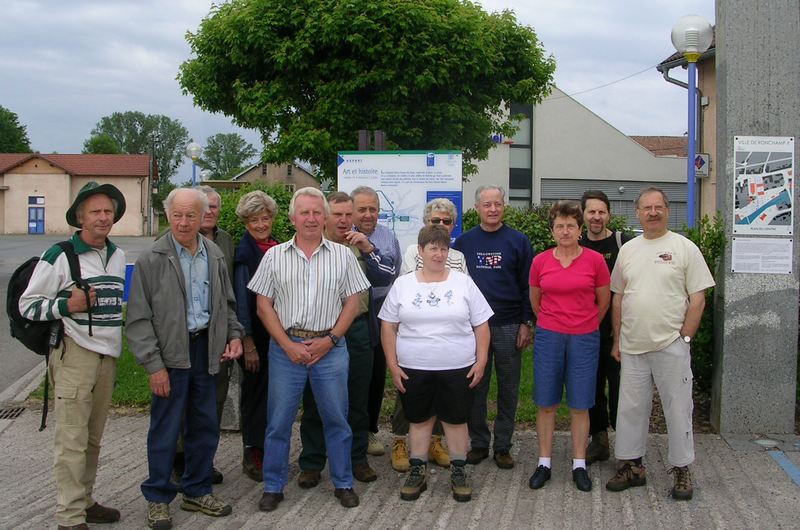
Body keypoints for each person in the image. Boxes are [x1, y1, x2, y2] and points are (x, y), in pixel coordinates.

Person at [127, 187, 244, 530]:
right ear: (167, 216)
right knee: (165, 428)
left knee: (205, 424)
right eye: (177, 214)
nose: (183, 221)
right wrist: (153, 365)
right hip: (170, 356)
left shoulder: (213, 254)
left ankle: (196, 488)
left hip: (206, 350)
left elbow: (227, 304)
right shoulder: (153, 259)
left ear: (202, 216)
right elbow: (137, 318)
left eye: (191, 215)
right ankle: (158, 497)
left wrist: (234, 336)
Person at [248, 187, 371, 512]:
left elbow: (354, 302)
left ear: (325, 217)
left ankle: (343, 483)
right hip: (285, 350)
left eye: (317, 212)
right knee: (278, 422)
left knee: (337, 420)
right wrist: (287, 345)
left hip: (330, 349)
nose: (312, 218)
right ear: (292, 218)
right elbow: (263, 306)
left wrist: (330, 339)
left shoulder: (343, 256)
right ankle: (273, 486)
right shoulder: (274, 256)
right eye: (305, 212)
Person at [19, 181, 126, 530]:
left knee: (93, 438)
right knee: (71, 439)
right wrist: (68, 304)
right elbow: (28, 305)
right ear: (80, 217)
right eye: (95, 211)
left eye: (108, 211)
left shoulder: (118, 254)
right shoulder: (60, 254)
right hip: (74, 355)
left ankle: (85, 500)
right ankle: (69, 516)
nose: (103, 217)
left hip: (107, 358)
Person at [605, 187, 714, 501]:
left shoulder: (685, 248)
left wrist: (685, 339)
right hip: (633, 345)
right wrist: (617, 339)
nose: (652, 213)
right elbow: (618, 297)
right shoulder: (628, 250)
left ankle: (681, 468)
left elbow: (698, 299)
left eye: (658, 207)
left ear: (667, 210)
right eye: (646, 208)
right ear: (637, 212)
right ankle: (632, 466)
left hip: (670, 345)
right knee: (630, 409)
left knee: (678, 409)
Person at [380, 224, 492, 502]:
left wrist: (481, 360)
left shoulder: (463, 282)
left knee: (455, 421)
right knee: (419, 420)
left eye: (443, 248)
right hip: (413, 368)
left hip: (458, 367)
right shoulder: (403, 284)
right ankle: (418, 471)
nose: (439, 254)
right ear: (420, 251)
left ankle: (459, 470)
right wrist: (393, 365)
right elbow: (388, 326)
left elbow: (481, 324)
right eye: (433, 248)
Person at [297, 191, 394, 487]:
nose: (343, 220)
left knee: (357, 398)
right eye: (336, 214)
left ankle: (357, 459)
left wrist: (367, 248)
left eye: (347, 215)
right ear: (325, 217)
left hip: (357, 330)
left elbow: (384, 277)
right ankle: (312, 461)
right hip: (321, 331)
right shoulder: (313, 246)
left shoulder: (360, 246)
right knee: (314, 400)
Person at [527, 201, 611, 492]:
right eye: (559, 226)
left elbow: (603, 302)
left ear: (580, 230)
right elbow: (536, 301)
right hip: (550, 336)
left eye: (571, 226)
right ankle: (545, 462)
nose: (565, 231)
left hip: (585, 337)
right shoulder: (540, 262)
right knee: (546, 403)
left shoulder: (595, 261)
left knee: (580, 403)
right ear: (552, 231)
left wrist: (583, 323)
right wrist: (555, 323)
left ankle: (578, 464)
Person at [453, 185, 534, 469]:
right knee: (476, 385)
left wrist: (527, 322)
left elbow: (528, 286)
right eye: (487, 204)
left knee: (509, 387)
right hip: (474, 327)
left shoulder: (519, 241)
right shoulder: (463, 243)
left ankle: (503, 445)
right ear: (477, 208)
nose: (492, 209)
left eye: (497, 204)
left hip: (510, 323)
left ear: (504, 206)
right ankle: (478, 443)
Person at [391, 197, 467, 471]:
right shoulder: (414, 250)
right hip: (414, 337)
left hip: (449, 342)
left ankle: (435, 442)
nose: (441, 225)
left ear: (453, 225)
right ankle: (400, 441)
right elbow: (410, 289)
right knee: (409, 397)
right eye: (435, 221)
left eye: (446, 221)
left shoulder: (458, 256)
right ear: (426, 223)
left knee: (446, 399)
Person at [172, 184, 234, 485]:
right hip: (181, 339)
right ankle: (179, 460)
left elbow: (228, 291)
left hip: (215, 338)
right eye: (204, 207)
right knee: (179, 406)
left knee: (212, 404)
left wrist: (233, 333)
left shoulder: (225, 242)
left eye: (213, 207)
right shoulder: (167, 244)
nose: (209, 212)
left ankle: (203, 462)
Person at [579, 190, 634, 464]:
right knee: (593, 389)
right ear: (583, 215)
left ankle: (626, 444)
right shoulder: (576, 245)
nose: (596, 217)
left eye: (601, 211)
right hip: (587, 333)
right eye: (591, 212)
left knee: (622, 389)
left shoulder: (625, 243)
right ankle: (599, 439)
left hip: (620, 332)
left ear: (608, 214)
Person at [232, 190, 279, 481]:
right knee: (255, 394)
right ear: (245, 223)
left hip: (275, 335)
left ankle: (267, 447)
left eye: (265, 218)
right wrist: (247, 341)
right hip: (255, 339)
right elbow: (240, 299)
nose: (261, 225)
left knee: (272, 395)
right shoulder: (245, 252)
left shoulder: (274, 246)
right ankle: (252, 451)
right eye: (254, 220)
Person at [351, 186, 401, 456]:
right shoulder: (340, 234)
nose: (368, 214)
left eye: (373, 209)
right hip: (349, 309)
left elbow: (393, 274)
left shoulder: (387, 236)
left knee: (375, 372)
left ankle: (368, 430)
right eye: (362, 209)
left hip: (380, 309)